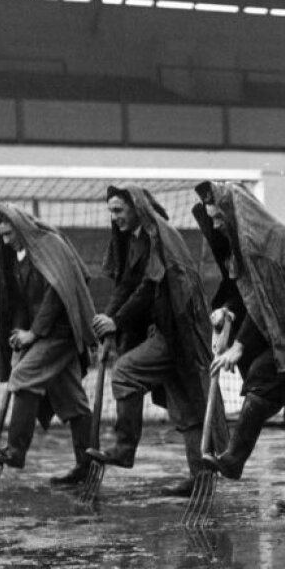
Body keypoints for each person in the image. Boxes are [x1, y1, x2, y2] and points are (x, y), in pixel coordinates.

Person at [192, 180, 285, 513]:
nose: (214, 224)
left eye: (217, 217)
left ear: (232, 211)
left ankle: (234, 459)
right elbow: (249, 295)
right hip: (283, 330)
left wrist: (240, 346)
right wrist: (228, 308)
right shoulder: (245, 242)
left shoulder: (261, 242)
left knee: (262, 376)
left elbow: (270, 302)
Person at [85, 184, 220, 495]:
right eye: (111, 211)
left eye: (119, 210)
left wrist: (116, 322)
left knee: (125, 372)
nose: (114, 217)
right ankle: (201, 481)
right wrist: (108, 321)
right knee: (185, 407)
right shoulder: (132, 240)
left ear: (137, 208)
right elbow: (125, 285)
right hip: (162, 329)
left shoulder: (157, 237)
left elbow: (147, 288)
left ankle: (124, 448)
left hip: (177, 330)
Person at [0, 204, 100, 482]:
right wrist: (19, 334)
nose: (7, 241)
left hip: (61, 331)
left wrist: (33, 334)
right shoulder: (20, 257)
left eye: (9, 233)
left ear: (21, 225)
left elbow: (56, 294)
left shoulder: (50, 244)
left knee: (22, 377)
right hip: (43, 332)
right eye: (2, 236)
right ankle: (86, 469)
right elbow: (23, 301)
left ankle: (15, 450)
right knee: (73, 401)